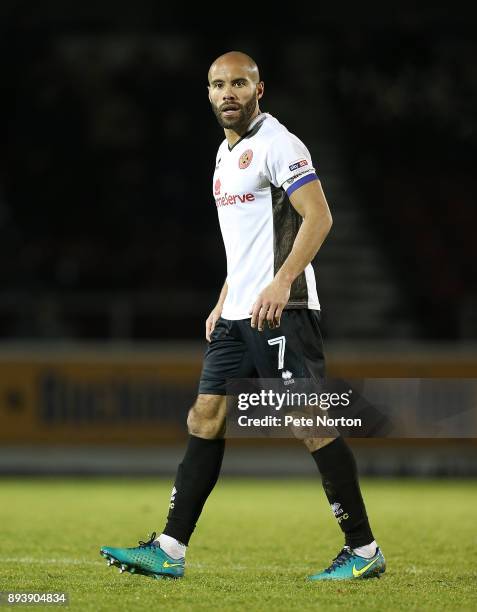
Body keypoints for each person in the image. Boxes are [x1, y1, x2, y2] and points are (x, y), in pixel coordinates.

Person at [100, 51, 386, 581]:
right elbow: (247, 240)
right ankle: (170, 547)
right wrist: (224, 296)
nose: (226, 92)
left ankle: (364, 550)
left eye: (238, 83)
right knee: (203, 417)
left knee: (309, 422)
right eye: (216, 84)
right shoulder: (223, 154)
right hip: (237, 313)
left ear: (260, 89)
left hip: (281, 310)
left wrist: (280, 283)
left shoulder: (280, 145)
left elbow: (319, 218)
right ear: (208, 94)